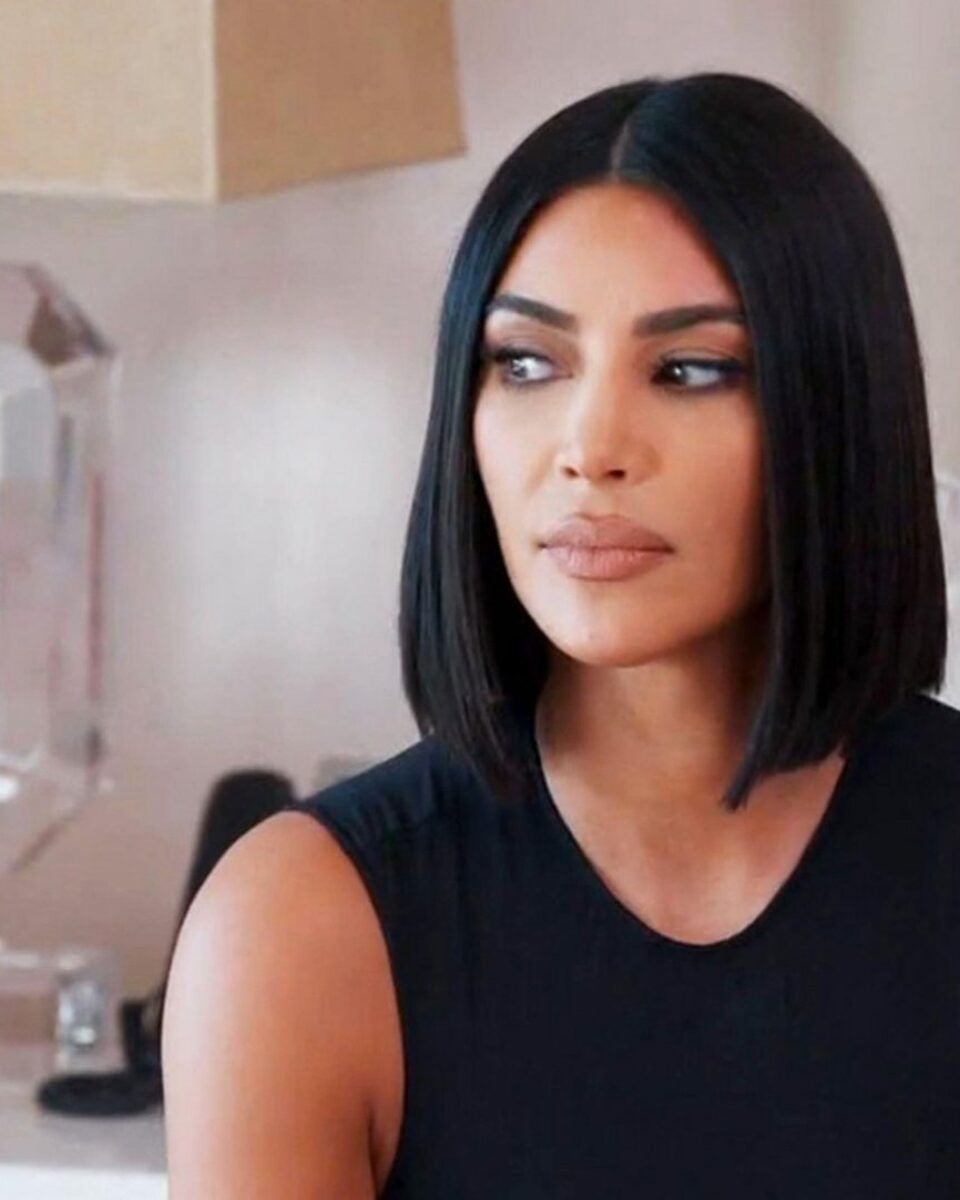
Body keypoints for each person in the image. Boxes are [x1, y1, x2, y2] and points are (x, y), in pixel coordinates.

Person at [162, 71, 960, 1197]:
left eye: (691, 370)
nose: (590, 449)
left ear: (837, 408)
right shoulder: (298, 927)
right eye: (527, 363)